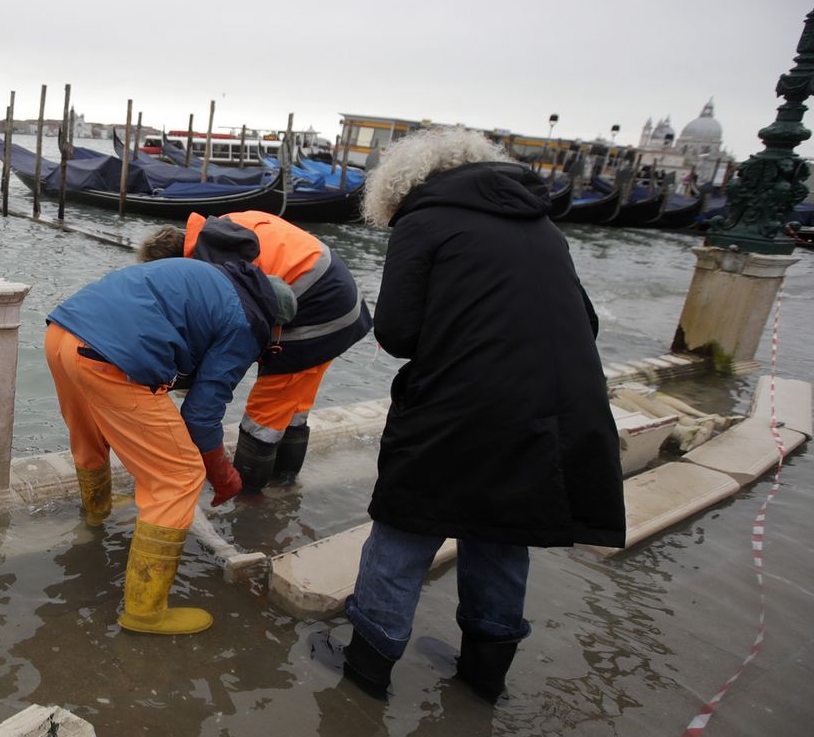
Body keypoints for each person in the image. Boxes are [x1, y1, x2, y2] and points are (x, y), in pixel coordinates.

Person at [342, 127, 625, 700]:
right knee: (502, 529)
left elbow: (396, 333)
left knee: (405, 526)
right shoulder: (543, 226)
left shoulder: (423, 221)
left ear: (401, 185)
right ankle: (484, 673)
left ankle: (369, 665)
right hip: (554, 410)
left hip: (459, 405)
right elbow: (585, 324)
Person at [46, 256, 297, 635]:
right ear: (275, 322)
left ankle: (96, 514)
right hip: (109, 358)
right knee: (179, 476)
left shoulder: (217, 277)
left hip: (62, 334)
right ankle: (144, 612)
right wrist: (222, 473)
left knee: (90, 433)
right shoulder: (250, 321)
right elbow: (200, 414)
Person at [138, 212, 372, 493]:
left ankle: (247, 500)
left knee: (265, 416)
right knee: (293, 405)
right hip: (338, 298)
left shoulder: (209, 268)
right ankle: (285, 485)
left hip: (317, 310)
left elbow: (229, 328)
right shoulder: (222, 227)